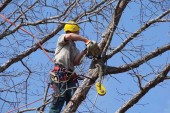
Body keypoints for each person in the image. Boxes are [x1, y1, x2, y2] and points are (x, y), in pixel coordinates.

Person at [49, 20, 91, 113]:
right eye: (77, 32)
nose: (78, 34)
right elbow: (69, 36)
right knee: (59, 97)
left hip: (70, 77)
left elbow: (75, 62)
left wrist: (84, 51)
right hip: (59, 73)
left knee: (74, 98)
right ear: (73, 30)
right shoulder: (62, 39)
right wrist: (85, 40)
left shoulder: (75, 48)